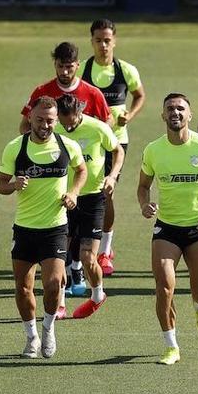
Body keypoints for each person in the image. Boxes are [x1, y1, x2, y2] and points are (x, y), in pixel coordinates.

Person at [138, 93, 198, 365]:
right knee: (164, 287)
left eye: (181, 109)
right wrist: (145, 204)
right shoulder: (153, 150)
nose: (175, 113)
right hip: (167, 229)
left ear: (189, 115)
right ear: (163, 115)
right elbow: (143, 186)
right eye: (170, 109)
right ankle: (171, 346)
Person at [0, 96, 86, 358]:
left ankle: (48, 328)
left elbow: (81, 171)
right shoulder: (15, 147)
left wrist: (74, 193)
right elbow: (0, 184)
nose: (45, 126)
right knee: (23, 288)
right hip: (24, 228)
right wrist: (14, 185)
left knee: (54, 283)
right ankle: (31, 336)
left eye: (50, 121)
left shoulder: (67, 146)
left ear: (56, 120)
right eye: (39, 120)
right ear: (30, 119)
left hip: (55, 228)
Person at [19, 41, 111, 296]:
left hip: (91, 177)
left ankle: (83, 271)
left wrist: (109, 171)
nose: (65, 72)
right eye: (60, 66)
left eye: (69, 67)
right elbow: (24, 128)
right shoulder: (42, 91)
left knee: (85, 232)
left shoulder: (92, 94)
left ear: (77, 66)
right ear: (55, 65)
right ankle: (68, 279)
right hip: (56, 181)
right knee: (63, 232)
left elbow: (106, 127)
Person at [81, 19, 145, 276]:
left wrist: (130, 114)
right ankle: (78, 246)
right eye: (99, 40)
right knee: (83, 190)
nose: (103, 45)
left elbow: (140, 95)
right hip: (87, 142)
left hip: (116, 141)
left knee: (106, 192)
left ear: (114, 41)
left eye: (108, 40)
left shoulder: (125, 70)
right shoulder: (82, 70)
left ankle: (105, 251)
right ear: (92, 41)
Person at [53, 94, 123, 320]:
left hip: (93, 199)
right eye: (64, 123)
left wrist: (112, 176)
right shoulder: (55, 131)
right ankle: (60, 303)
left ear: (79, 112)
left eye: (71, 121)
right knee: (59, 256)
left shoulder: (98, 128)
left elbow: (117, 150)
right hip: (64, 198)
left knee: (87, 257)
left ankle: (97, 295)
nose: (68, 126)